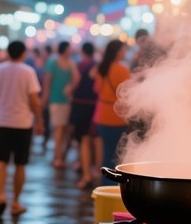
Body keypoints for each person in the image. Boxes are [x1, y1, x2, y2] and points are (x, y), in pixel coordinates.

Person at [0, 40, 43, 219]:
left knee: (0, 160)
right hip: (22, 123)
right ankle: (16, 202)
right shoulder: (28, 71)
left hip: (2, 122)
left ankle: (1, 195)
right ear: (23, 53)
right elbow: (33, 99)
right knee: (20, 164)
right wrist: (40, 120)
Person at [94, 40, 130, 171]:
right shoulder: (122, 69)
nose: (125, 52)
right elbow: (128, 94)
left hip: (101, 115)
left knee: (107, 153)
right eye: (123, 49)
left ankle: (104, 182)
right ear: (117, 52)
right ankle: (110, 186)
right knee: (115, 157)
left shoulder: (102, 67)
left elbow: (97, 89)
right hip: (116, 118)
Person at [69, 42, 101, 188]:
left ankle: (86, 174)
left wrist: (69, 91)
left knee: (83, 139)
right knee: (96, 139)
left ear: (82, 51)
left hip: (80, 104)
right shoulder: (98, 65)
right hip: (94, 105)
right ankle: (97, 171)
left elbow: (75, 81)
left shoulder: (80, 65)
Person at [42, 41, 76, 169]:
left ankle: (58, 157)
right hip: (62, 99)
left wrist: (45, 98)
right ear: (65, 50)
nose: (71, 51)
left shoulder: (53, 61)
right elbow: (76, 78)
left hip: (56, 99)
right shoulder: (70, 63)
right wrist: (70, 88)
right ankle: (58, 157)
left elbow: (47, 80)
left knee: (59, 129)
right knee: (61, 129)